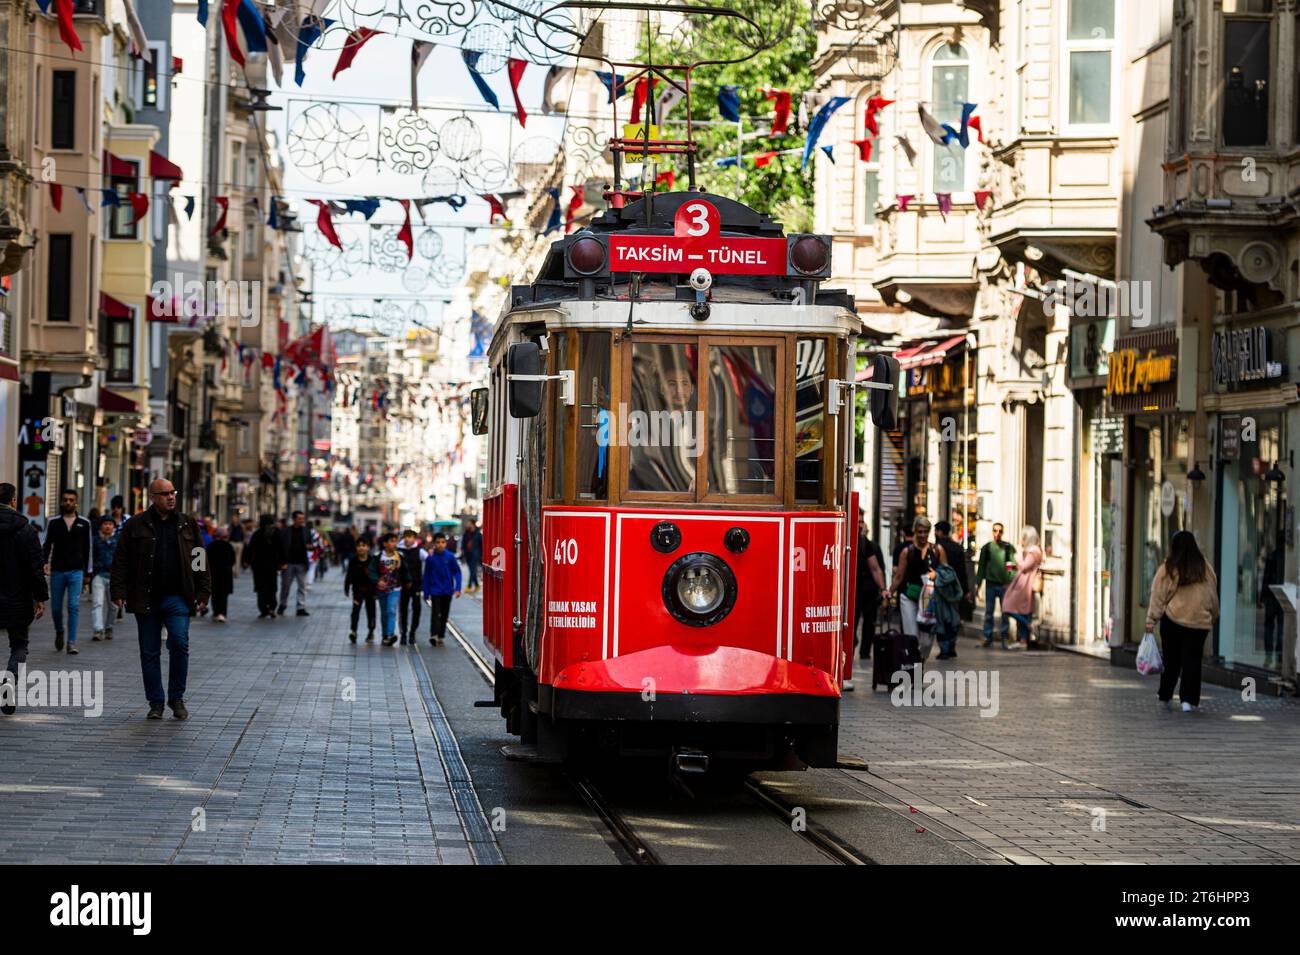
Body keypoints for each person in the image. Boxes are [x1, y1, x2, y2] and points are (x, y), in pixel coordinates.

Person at [110, 478, 211, 721]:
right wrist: (119, 591)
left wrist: (203, 590)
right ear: (152, 498)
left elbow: (199, 557)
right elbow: (121, 560)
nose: (171, 497)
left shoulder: (187, 524)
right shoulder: (136, 525)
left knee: (179, 643)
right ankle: (155, 702)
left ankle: (176, 698)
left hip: (178, 597)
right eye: (164, 494)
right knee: (149, 652)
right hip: (147, 598)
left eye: (172, 492)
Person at [1147, 530, 1220, 712]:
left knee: (1172, 661)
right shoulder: (1205, 567)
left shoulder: (1169, 568)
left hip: (1174, 620)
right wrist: (1213, 615)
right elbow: (1212, 593)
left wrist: (1151, 619)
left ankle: (1166, 696)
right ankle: (1188, 701)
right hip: (1199, 622)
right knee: (1192, 662)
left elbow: (1158, 595)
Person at [0, 483, 49, 716]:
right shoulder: (26, 531)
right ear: (14, 501)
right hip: (18, 598)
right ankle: (9, 682)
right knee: (18, 645)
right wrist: (40, 597)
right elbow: (35, 568)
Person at [889, 516, 949, 662]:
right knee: (912, 638)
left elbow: (947, 571)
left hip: (929, 598)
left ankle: (920, 663)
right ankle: (914, 676)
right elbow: (899, 576)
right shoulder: (907, 551)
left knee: (927, 640)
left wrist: (937, 574)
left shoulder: (937, 550)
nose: (922, 535)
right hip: (909, 597)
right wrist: (889, 593)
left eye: (925, 532)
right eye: (919, 532)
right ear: (915, 531)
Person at [43, 488, 93, 654]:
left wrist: (88, 572)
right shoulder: (54, 522)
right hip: (57, 570)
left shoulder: (84, 523)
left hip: (76, 571)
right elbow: (47, 544)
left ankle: (71, 642)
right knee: (56, 608)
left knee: (73, 606)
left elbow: (88, 549)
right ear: (61, 502)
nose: (68, 502)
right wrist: (44, 562)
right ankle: (59, 631)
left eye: (71, 500)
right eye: (65, 500)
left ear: (76, 502)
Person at [974, 522, 1017, 649]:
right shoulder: (987, 548)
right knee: (989, 612)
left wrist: (1009, 582)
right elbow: (981, 567)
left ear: (1002, 533)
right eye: (995, 530)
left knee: (1005, 613)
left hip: (1004, 586)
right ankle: (988, 637)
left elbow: (1012, 566)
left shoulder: (1008, 548)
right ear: (992, 532)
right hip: (991, 585)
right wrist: (978, 585)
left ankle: (1005, 638)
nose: (997, 533)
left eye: (1000, 531)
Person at [1001, 526, 1043, 650]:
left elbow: (1024, 566)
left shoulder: (1034, 552)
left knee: (1007, 607)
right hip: (1023, 583)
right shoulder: (1034, 551)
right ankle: (1024, 641)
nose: (1021, 540)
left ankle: (1029, 626)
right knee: (1024, 612)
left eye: (1023, 537)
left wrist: (1018, 553)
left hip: (1024, 585)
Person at [854, 508, 885, 660]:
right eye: (857, 521)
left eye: (861, 521)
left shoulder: (868, 545)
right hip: (853, 591)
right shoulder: (844, 541)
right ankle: (852, 645)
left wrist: (883, 589)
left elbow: (876, 569)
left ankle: (865, 652)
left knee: (869, 622)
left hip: (869, 590)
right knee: (852, 623)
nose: (860, 525)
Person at [423, 532, 462, 646]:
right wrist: (426, 592)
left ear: (446, 543)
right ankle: (434, 635)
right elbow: (426, 576)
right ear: (434, 544)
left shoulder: (450, 557)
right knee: (435, 613)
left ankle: (441, 635)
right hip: (435, 590)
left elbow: (457, 572)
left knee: (444, 613)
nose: (440, 545)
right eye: (438, 542)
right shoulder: (430, 559)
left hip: (447, 590)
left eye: (443, 542)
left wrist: (458, 588)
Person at [344, 537, 380, 643]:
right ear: (356, 548)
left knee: (371, 612)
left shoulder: (372, 560)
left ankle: (371, 631)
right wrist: (346, 587)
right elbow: (349, 575)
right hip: (358, 591)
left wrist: (377, 590)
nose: (361, 548)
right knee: (355, 611)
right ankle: (353, 631)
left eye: (363, 546)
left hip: (371, 591)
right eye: (359, 546)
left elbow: (377, 576)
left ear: (368, 548)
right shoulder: (353, 561)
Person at [275, 510, 311, 616]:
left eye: (302, 519)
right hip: (288, 563)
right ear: (294, 519)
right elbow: (280, 548)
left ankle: (301, 607)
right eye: (299, 519)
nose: (302, 521)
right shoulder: (285, 532)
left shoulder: (306, 531)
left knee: (302, 586)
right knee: (285, 586)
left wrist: (310, 547)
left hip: (301, 563)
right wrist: (282, 562)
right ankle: (283, 604)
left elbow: (310, 544)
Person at [244, 515, 280, 618]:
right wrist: (283, 561)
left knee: (260, 587)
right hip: (272, 565)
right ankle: (272, 607)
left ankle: (263, 609)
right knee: (272, 587)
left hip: (258, 565)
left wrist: (247, 560)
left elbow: (250, 549)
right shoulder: (276, 533)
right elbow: (281, 548)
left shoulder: (257, 534)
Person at [90, 516, 118, 641]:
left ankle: (109, 627)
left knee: (114, 606)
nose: (107, 526)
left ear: (114, 526)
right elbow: (90, 557)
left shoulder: (118, 540)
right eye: (105, 524)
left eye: (110, 524)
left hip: (114, 577)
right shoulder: (95, 540)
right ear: (101, 526)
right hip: (98, 575)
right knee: (98, 603)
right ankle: (98, 629)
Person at [376, 533, 407, 646]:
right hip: (382, 589)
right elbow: (372, 571)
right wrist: (377, 581)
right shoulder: (379, 556)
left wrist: (408, 581)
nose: (394, 543)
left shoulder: (399, 556)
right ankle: (385, 635)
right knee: (384, 612)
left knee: (391, 610)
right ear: (385, 544)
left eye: (395, 541)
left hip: (395, 588)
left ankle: (390, 634)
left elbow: (405, 570)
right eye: (391, 541)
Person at [397, 529, 426, 645]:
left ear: (415, 538)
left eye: (410, 537)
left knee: (417, 608)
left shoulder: (420, 552)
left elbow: (429, 562)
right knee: (403, 610)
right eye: (406, 537)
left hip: (416, 585)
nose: (407, 539)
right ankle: (403, 633)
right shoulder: (398, 551)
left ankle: (412, 632)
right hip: (402, 586)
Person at [207, 526, 236, 622]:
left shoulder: (211, 546)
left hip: (214, 574)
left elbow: (207, 560)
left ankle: (216, 612)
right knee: (223, 595)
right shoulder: (228, 546)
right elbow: (233, 560)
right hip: (225, 574)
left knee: (215, 594)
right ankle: (222, 613)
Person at [461, 519, 483, 593]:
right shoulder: (466, 533)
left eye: (469, 523)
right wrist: (463, 552)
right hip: (468, 555)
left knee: (473, 570)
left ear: (473, 524)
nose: (468, 525)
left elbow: (481, 545)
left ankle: (469, 586)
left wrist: (481, 555)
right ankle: (476, 585)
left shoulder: (478, 534)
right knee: (471, 571)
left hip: (475, 555)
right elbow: (463, 543)